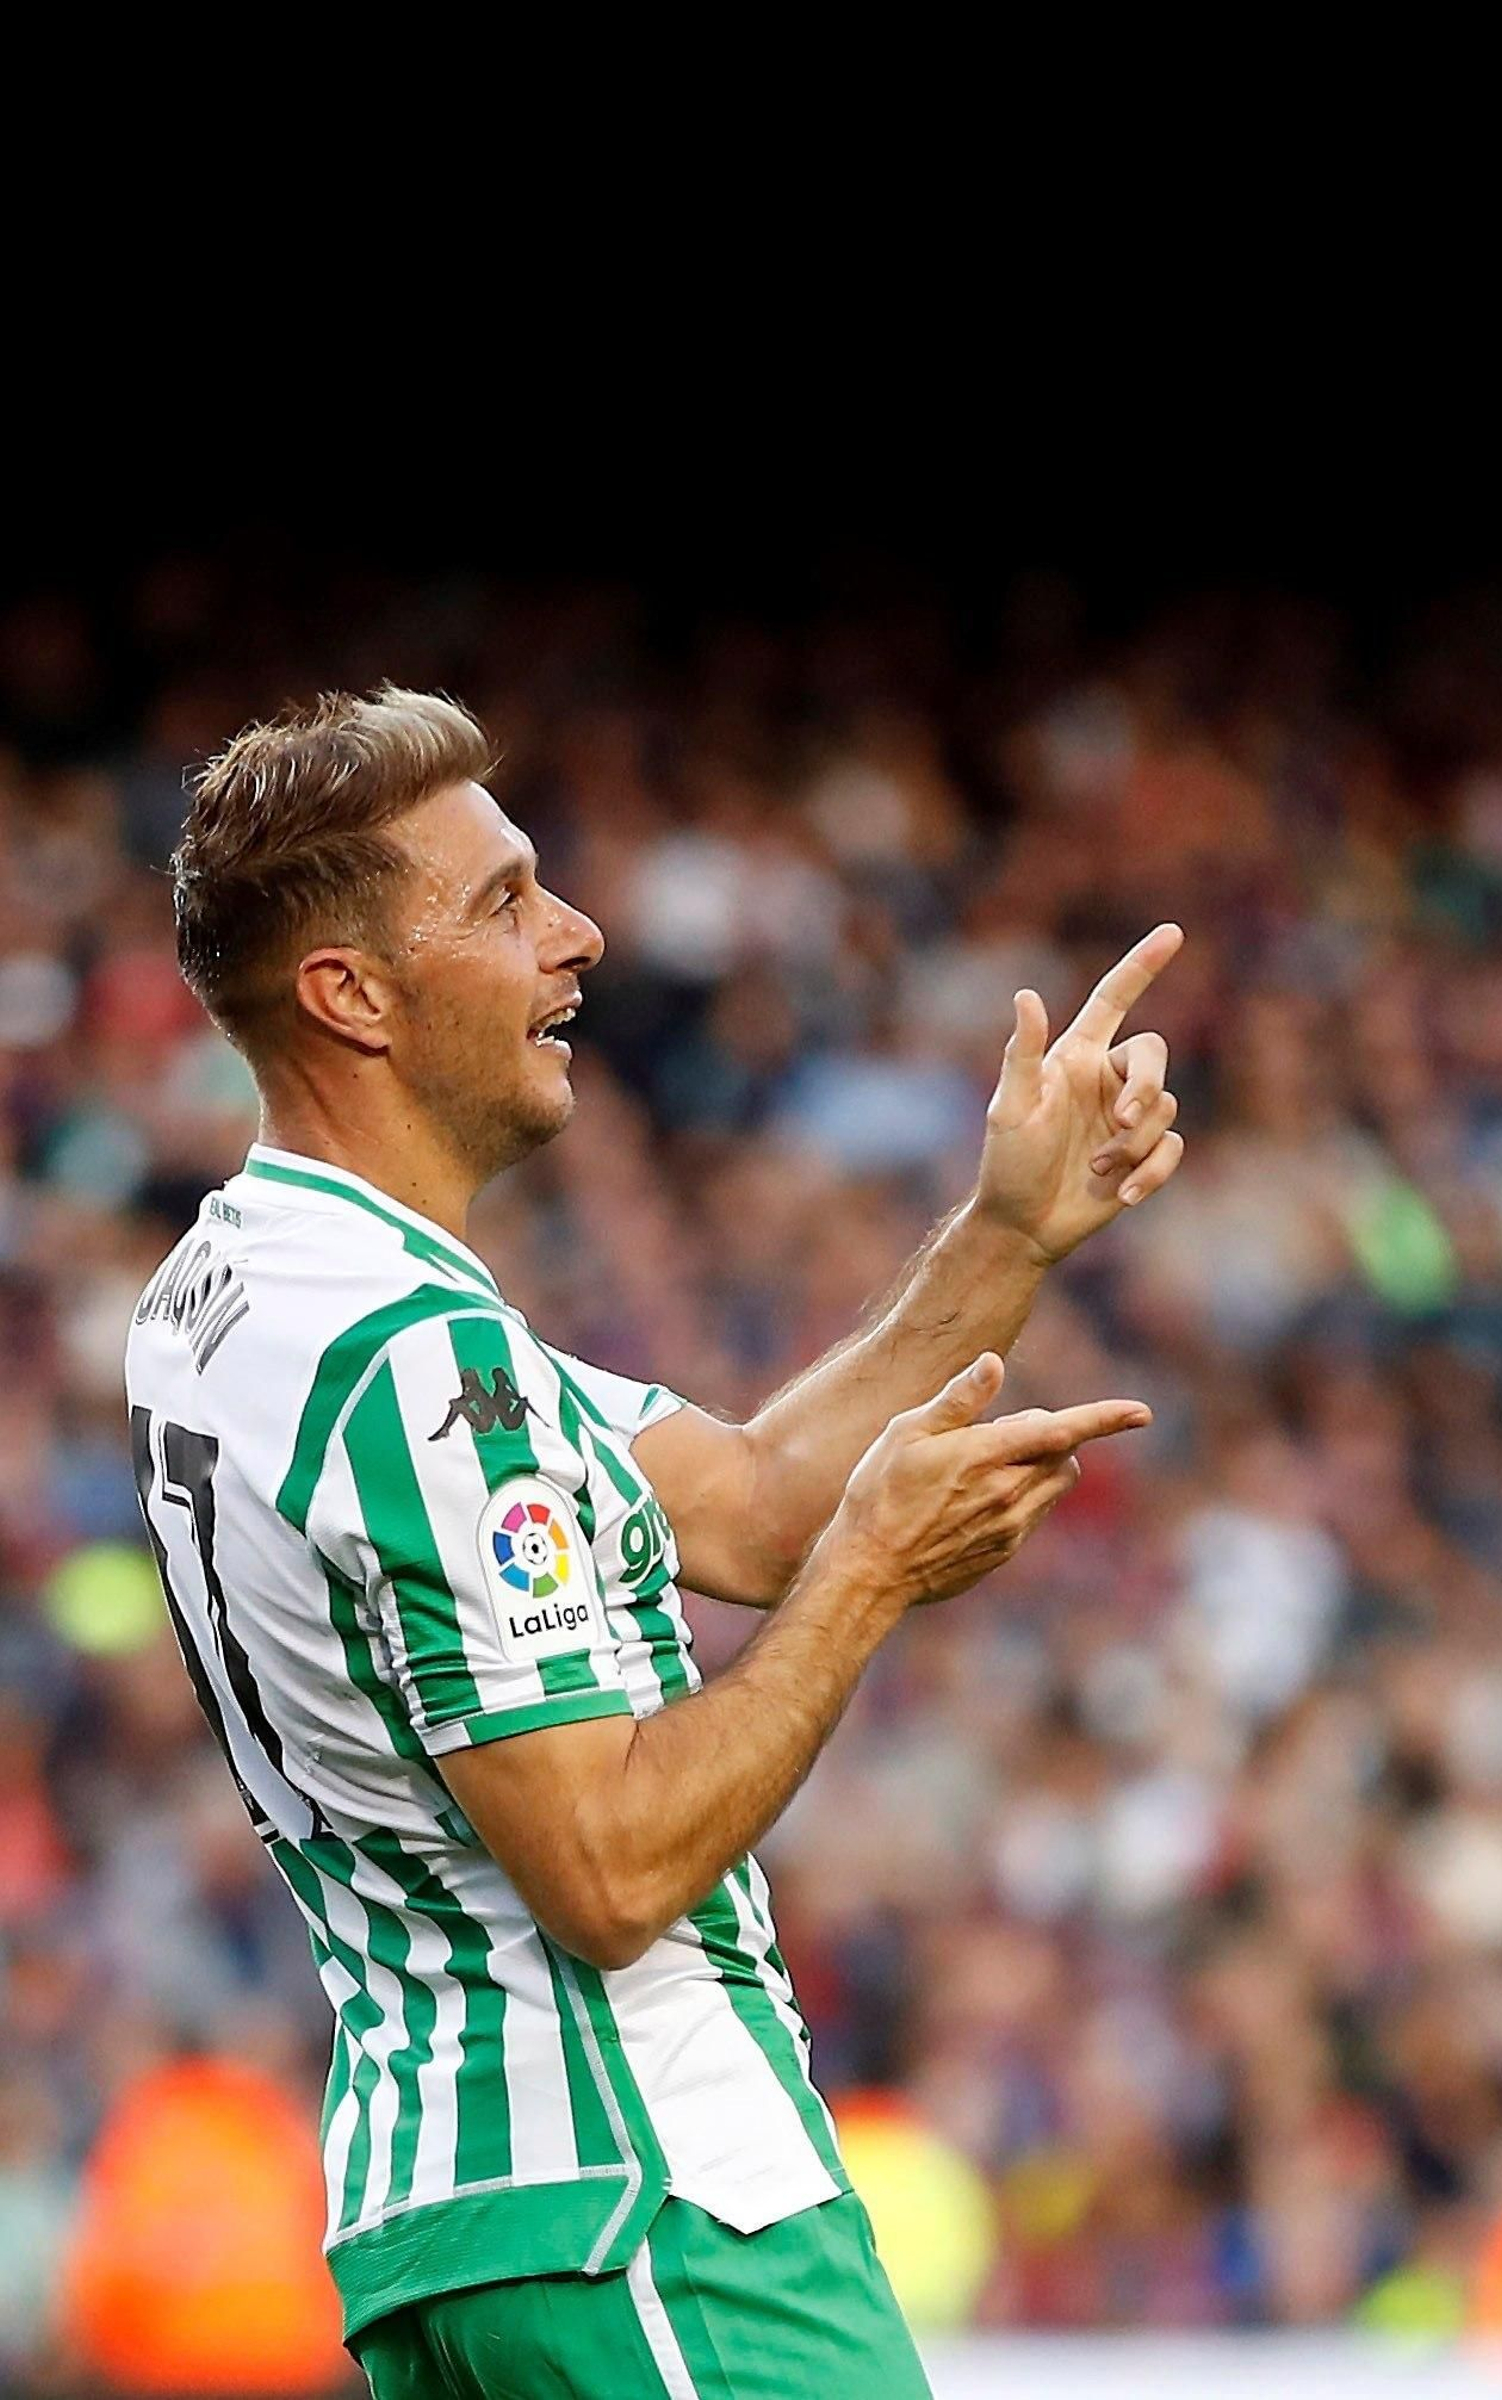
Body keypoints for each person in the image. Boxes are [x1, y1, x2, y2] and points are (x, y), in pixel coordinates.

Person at [123, 686, 1184, 2399]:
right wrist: (875, 1583)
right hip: (651, 2205)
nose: (577, 934)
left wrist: (1008, 1231)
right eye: (503, 901)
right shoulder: (420, 1366)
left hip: (458, 2222)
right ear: (350, 997)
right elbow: (609, 1870)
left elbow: (756, 1505)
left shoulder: (232, 1291)